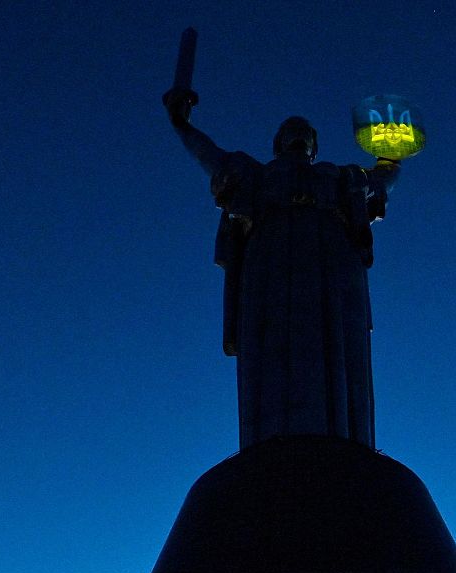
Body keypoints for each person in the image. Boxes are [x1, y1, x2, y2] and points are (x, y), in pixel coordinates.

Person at [164, 88, 403, 450]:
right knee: (272, 340)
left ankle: (342, 439)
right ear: (278, 143)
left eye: (306, 134)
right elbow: (209, 156)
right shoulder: (254, 175)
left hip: (332, 261)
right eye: (292, 132)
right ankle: (269, 440)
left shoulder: (339, 177)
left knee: (337, 339)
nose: (300, 137)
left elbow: (379, 180)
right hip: (271, 259)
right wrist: (182, 124)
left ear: (314, 146)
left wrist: (392, 157)